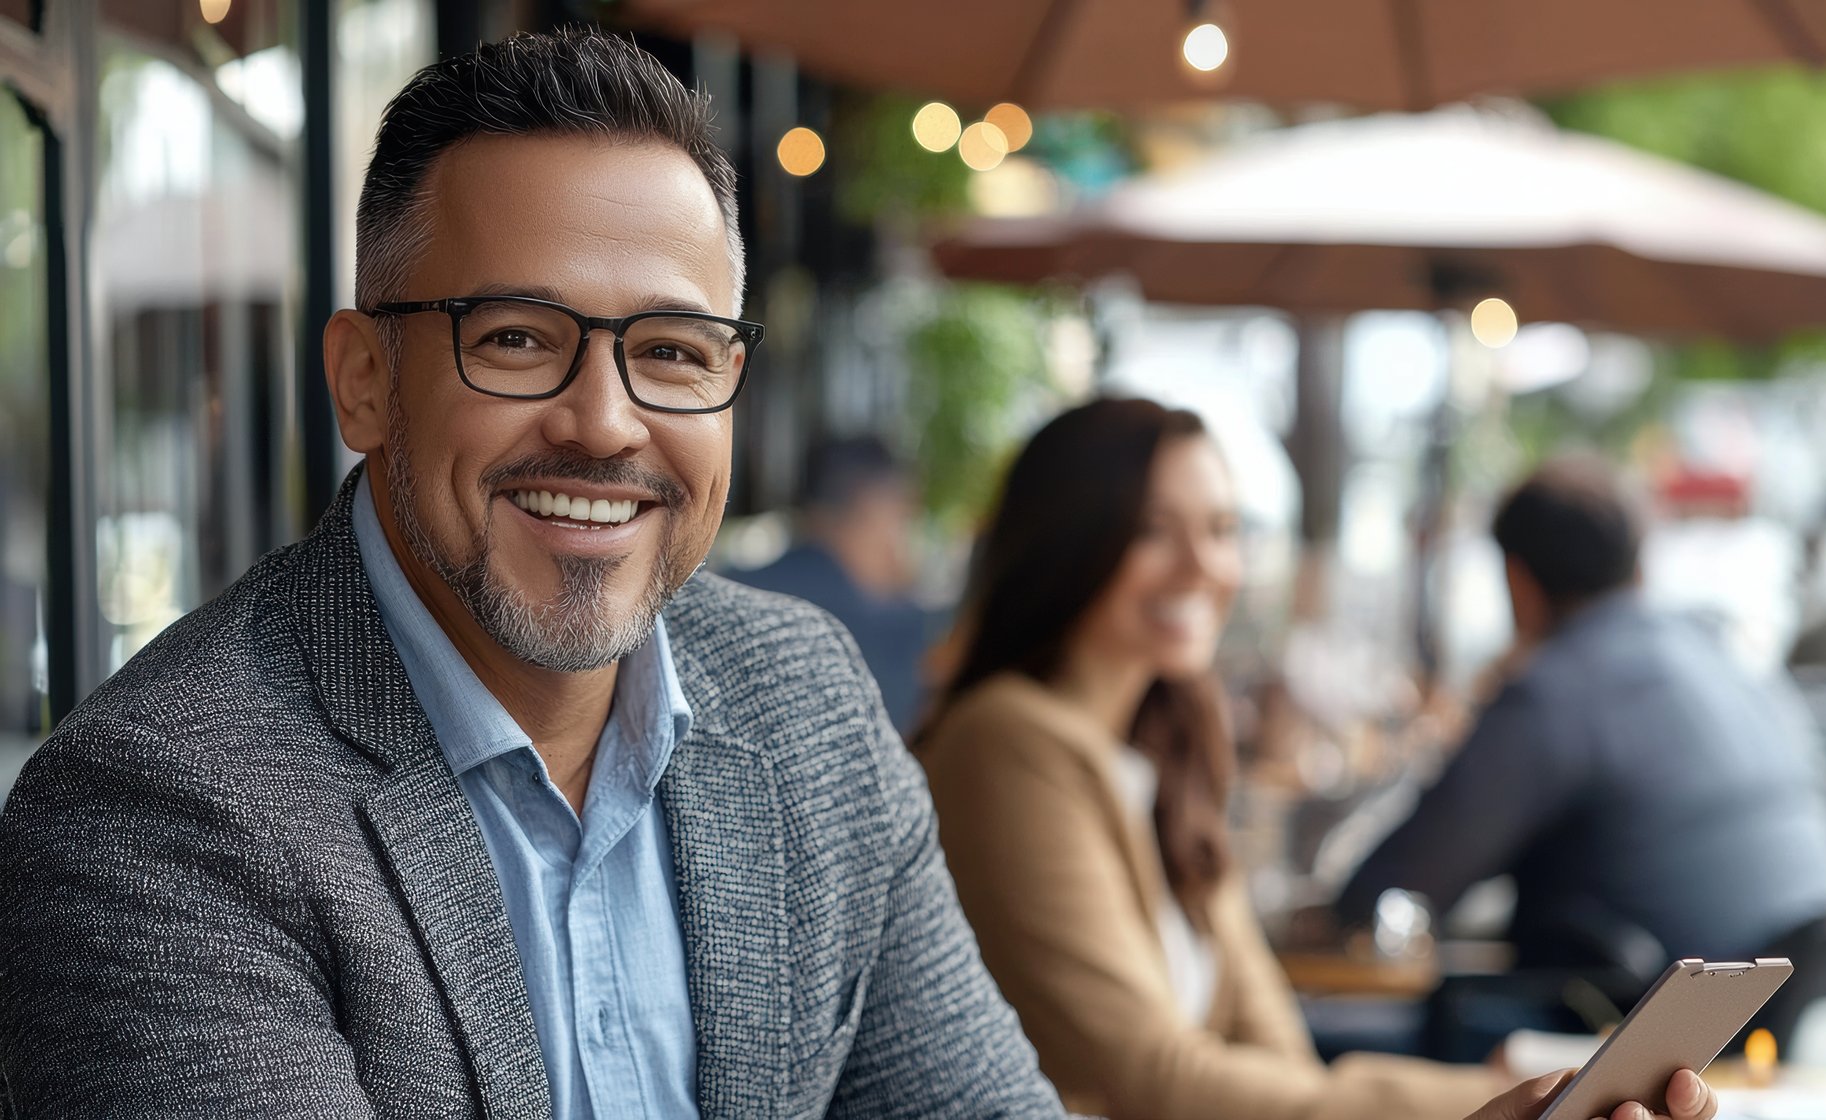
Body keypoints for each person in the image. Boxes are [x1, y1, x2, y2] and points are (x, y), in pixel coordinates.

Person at [0, 30, 1061, 1117]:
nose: (604, 424)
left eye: (671, 351)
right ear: (363, 381)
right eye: (514, 338)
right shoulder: (156, 809)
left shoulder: (806, 706)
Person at [919, 401, 1721, 1120]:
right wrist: (1501, 1098)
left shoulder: (1162, 755)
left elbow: (1276, 1051)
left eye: (1223, 529)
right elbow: (1148, 1077)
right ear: (1067, 540)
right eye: (1154, 530)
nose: (1204, 566)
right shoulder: (1004, 743)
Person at [1336, 456, 1826, 969]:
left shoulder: (1557, 690)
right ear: (1637, 565)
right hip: (1807, 991)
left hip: (1652, 1029)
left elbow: (1393, 889)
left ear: (1518, 581)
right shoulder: (1722, 651)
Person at [730, 435, 935, 734]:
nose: (904, 538)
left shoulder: (737, 584)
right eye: (903, 515)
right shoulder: (897, 629)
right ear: (874, 508)